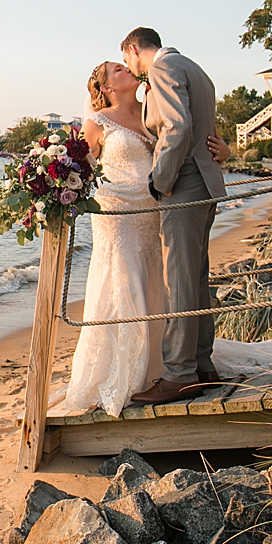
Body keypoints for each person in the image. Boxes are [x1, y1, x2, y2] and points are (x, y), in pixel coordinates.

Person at [60, 60, 230, 416]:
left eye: (125, 64)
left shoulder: (154, 105)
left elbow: (185, 137)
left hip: (156, 207)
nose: (127, 70)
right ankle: (124, 371)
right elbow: (78, 168)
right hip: (117, 213)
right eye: (118, 70)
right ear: (107, 88)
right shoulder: (98, 121)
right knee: (122, 281)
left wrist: (223, 151)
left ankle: (164, 366)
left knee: (160, 283)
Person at [121, 26, 227, 405]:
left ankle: (179, 373)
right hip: (206, 182)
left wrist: (159, 181)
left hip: (184, 182)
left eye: (126, 61)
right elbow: (202, 128)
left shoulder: (163, 70)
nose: (130, 69)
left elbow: (177, 127)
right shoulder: (194, 67)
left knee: (179, 280)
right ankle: (202, 365)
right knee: (195, 276)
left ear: (134, 49)